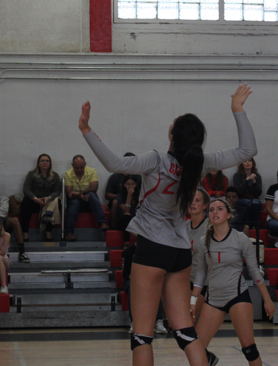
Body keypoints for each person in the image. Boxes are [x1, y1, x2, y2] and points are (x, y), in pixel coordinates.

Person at [78, 84, 257, 366]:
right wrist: (237, 109)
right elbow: (249, 149)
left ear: (172, 136)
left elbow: (113, 163)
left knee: (142, 336)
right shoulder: (200, 164)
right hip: (180, 251)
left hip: (151, 249)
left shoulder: (156, 160)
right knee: (185, 331)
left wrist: (86, 130)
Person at [191, 198, 275, 366]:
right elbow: (201, 273)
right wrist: (193, 300)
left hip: (238, 297)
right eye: (212, 209)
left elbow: (254, 270)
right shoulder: (203, 242)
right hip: (213, 300)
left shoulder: (240, 238)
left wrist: (267, 298)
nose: (215, 212)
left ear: (229, 215)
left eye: (220, 209)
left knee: (249, 349)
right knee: (196, 349)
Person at [122, 242, 169, 335]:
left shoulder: (154, 250)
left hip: (150, 279)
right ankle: (135, 322)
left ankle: (158, 321)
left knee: (157, 285)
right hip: (132, 280)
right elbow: (126, 274)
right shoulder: (128, 251)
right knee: (133, 287)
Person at [64, 155, 109, 242]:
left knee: (91, 195)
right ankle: (68, 233)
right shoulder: (68, 174)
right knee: (75, 203)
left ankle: (103, 223)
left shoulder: (92, 171)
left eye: (81, 167)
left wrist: (79, 193)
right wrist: (80, 196)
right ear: (72, 165)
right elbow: (69, 193)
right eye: (77, 168)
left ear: (85, 164)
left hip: (88, 201)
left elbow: (94, 188)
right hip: (75, 201)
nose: (79, 170)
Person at [20, 153, 61, 242]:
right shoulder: (31, 174)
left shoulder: (55, 176)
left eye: (47, 161)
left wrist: (49, 198)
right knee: (25, 202)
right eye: (42, 161)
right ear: (38, 163)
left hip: (48, 202)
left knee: (58, 203)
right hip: (34, 201)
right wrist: (35, 199)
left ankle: (48, 232)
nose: (45, 162)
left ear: (50, 163)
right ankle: (25, 233)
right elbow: (26, 190)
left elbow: (57, 191)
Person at [187, 188, 210, 323]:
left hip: (204, 282)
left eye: (197, 201)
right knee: (184, 321)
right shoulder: (184, 227)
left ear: (205, 205)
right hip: (186, 279)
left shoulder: (210, 227)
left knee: (192, 320)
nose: (193, 204)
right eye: (190, 200)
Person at [105, 154, 141, 229]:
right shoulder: (115, 176)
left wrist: (133, 196)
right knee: (115, 202)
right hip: (121, 199)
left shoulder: (139, 177)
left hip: (135, 199)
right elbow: (107, 195)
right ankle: (113, 228)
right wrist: (123, 196)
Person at [232, 158, 262, 223]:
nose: (247, 163)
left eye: (250, 161)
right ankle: (247, 224)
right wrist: (246, 180)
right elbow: (238, 192)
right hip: (241, 199)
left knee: (256, 203)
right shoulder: (237, 176)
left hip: (253, 198)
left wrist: (254, 183)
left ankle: (254, 224)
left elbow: (258, 193)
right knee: (247, 202)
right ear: (242, 164)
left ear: (252, 163)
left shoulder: (257, 176)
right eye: (245, 161)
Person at [116, 177, 140, 243]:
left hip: (136, 219)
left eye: (132, 184)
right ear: (124, 185)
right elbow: (126, 211)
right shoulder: (120, 196)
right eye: (128, 184)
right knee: (127, 215)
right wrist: (129, 195)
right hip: (123, 220)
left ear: (136, 185)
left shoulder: (140, 195)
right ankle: (126, 242)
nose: (130, 186)